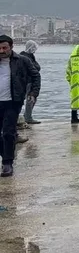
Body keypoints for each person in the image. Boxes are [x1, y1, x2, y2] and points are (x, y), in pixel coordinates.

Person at [0, 35, 40, 177]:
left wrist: (33, 93)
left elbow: (35, 76)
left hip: (12, 101)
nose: (2, 51)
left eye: (5, 47)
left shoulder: (22, 61)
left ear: (11, 47)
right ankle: (5, 153)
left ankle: (7, 164)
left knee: (9, 132)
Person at [19, 40, 41, 125]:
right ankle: (27, 117)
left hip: (32, 82)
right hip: (27, 82)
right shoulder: (25, 57)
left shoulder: (30, 56)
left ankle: (27, 116)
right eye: (34, 48)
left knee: (32, 99)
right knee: (30, 99)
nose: (35, 49)